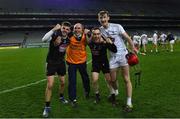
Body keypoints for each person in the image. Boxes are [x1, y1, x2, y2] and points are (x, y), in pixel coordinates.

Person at [98, 10, 137, 112]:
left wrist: (132, 50)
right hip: (112, 58)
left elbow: (128, 38)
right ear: (99, 19)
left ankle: (129, 103)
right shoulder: (100, 30)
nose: (103, 19)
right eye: (101, 18)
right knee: (112, 80)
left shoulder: (117, 26)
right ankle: (116, 91)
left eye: (104, 17)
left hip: (123, 55)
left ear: (108, 18)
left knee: (126, 79)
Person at [42, 22, 71, 117]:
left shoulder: (68, 39)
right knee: (50, 85)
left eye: (67, 29)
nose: (65, 30)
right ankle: (47, 107)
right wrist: (54, 29)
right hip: (51, 62)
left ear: (69, 30)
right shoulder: (54, 35)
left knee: (63, 82)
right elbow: (44, 39)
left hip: (61, 63)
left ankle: (61, 97)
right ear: (60, 28)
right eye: (63, 28)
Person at [88, 27, 118, 105]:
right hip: (95, 63)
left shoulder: (104, 42)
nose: (96, 36)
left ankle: (113, 97)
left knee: (109, 80)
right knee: (94, 80)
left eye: (98, 34)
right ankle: (97, 96)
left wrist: (110, 42)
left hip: (104, 63)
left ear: (100, 34)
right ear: (92, 34)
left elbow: (115, 50)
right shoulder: (90, 42)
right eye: (94, 34)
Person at [66, 23, 90, 107]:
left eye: (79, 28)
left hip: (82, 61)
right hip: (72, 62)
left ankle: (87, 91)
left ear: (82, 29)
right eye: (75, 28)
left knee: (85, 78)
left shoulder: (85, 36)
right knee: (72, 81)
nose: (77, 29)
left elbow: (88, 43)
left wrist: (87, 34)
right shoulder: (69, 36)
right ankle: (73, 99)